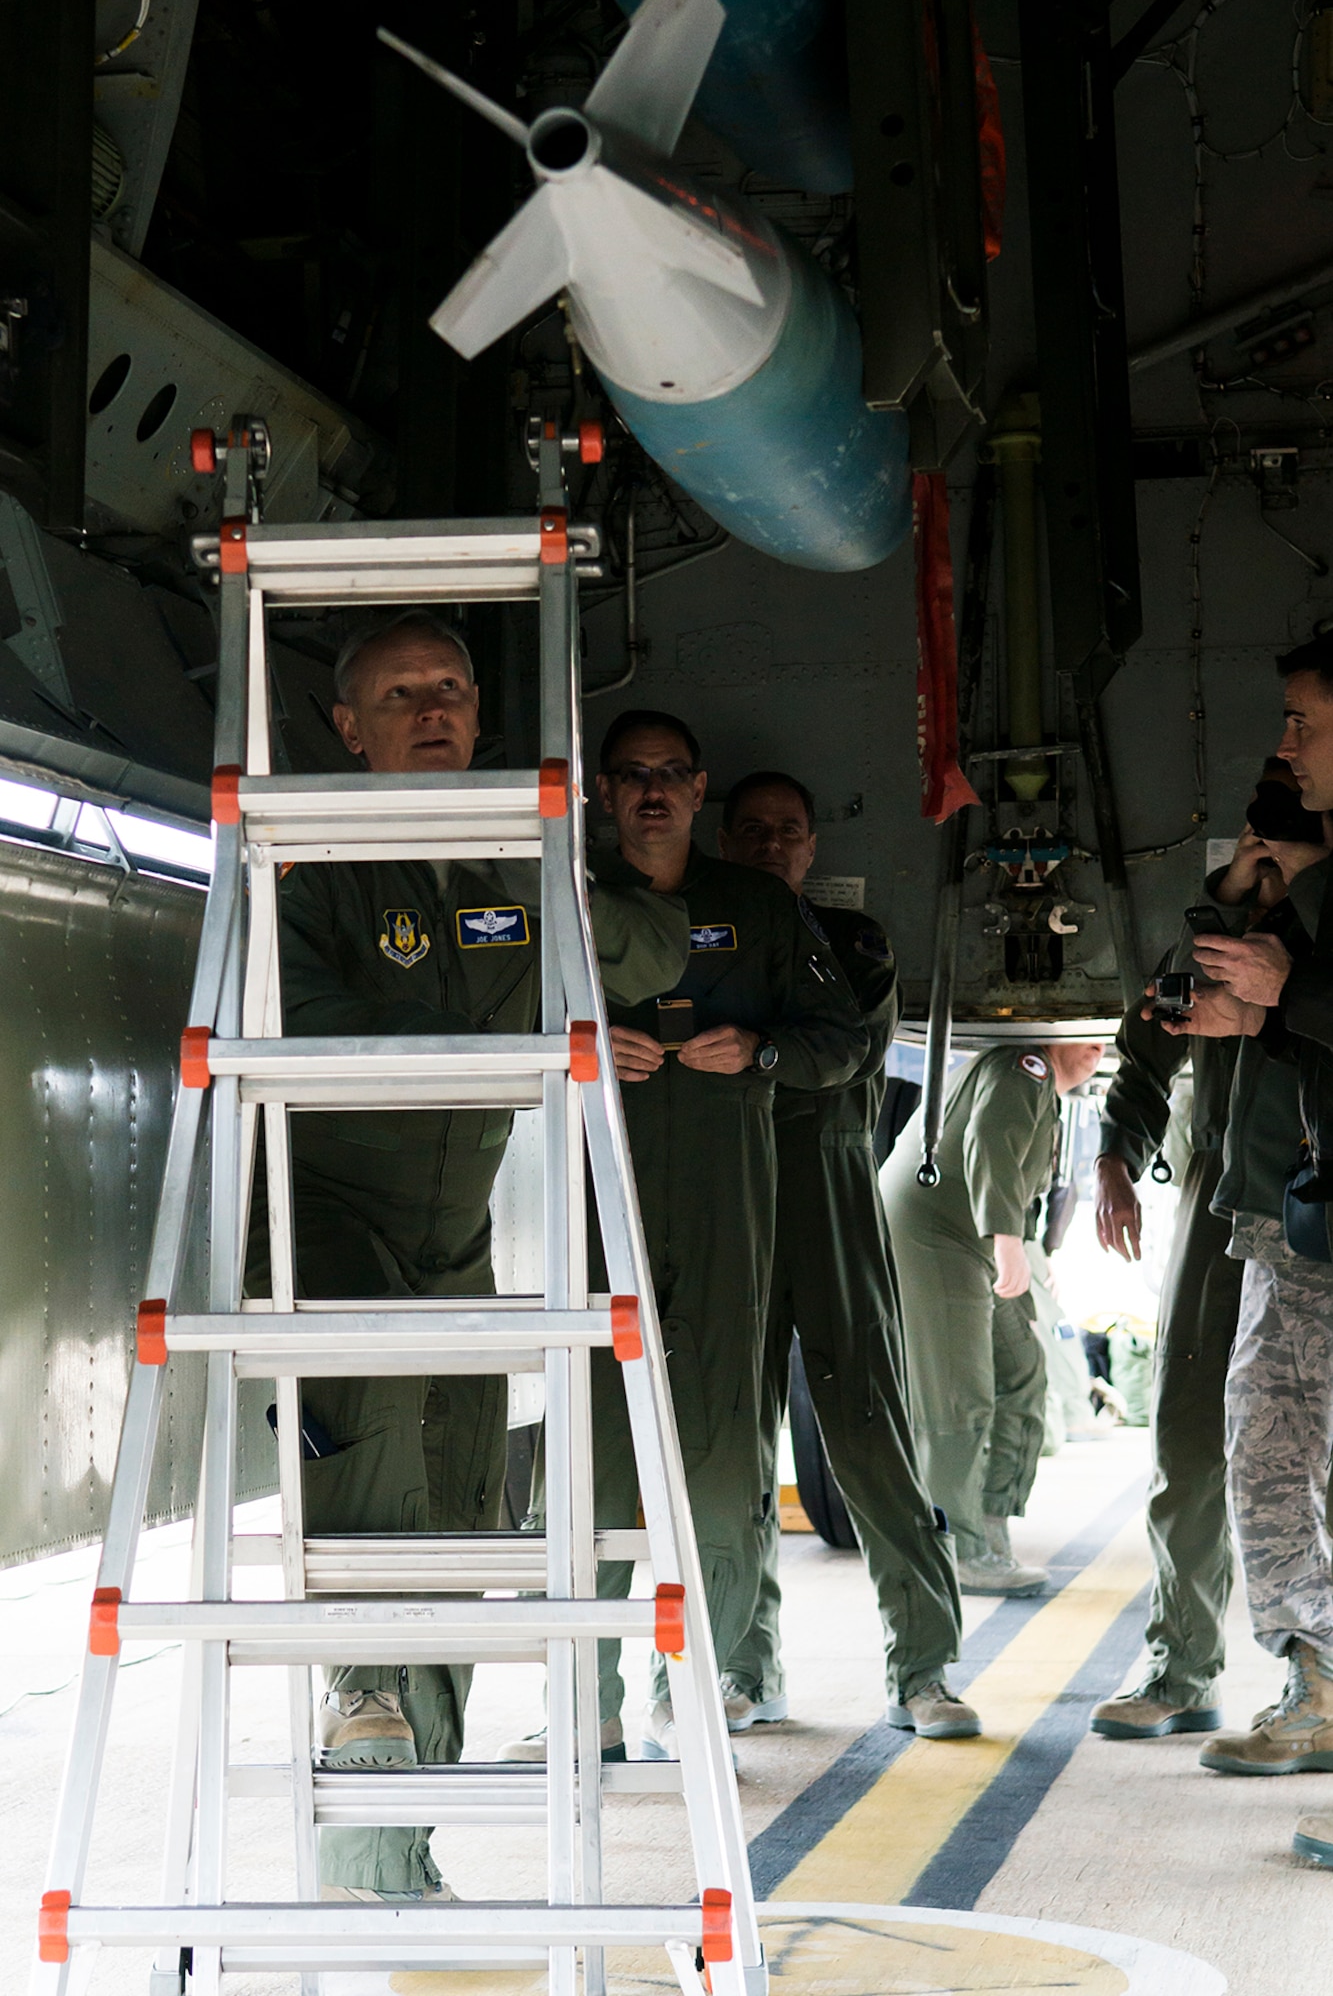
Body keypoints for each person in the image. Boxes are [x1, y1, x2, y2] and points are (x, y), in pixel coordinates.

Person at [267, 615, 691, 1900]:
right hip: (334, 1218)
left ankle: (393, 1857)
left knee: (463, 1525)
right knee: (377, 1490)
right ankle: (357, 1744)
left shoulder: (522, 857)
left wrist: (572, 882)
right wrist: (465, 1035)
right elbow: (296, 1010)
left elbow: (657, 952)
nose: (432, 706)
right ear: (350, 727)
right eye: (400, 693)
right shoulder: (314, 859)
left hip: (457, 1244)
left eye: (449, 686)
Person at [580, 712, 869, 1759]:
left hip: (722, 1201)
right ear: (603, 792)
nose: (651, 792)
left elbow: (841, 1042)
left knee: (714, 1445)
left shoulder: (755, 906)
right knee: (594, 1446)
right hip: (593, 1201)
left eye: (669, 774)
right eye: (630, 775)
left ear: (698, 789)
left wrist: (755, 1051)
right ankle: (585, 1702)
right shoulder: (569, 900)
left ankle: (702, 1678)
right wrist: (578, 1049)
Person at [712, 771, 976, 1740]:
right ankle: (743, 1665)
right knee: (735, 1443)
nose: (771, 844)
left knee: (869, 1428)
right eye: (752, 829)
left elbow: (850, 1052)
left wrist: (755, 1046)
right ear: (727, 839)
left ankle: (925, 1667)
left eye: (788, 829)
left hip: (828, 1187)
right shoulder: (702, 929)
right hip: (729, 1195)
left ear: (812, 845)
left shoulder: (855, 944)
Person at [1152, 638, 1333, 1859]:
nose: (1284, 742)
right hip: (1295, 1212)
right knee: (1261, 1447)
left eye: (1302, 721)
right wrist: (1245, 991)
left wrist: (1284, 988)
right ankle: (1315, 1679)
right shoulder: (1297, 868)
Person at [1089, 778, 1317, 1741]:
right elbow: (1147, 1044)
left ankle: (1316, 1676)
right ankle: (1181, 1663)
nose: (1261, 874)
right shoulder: (1223, 941)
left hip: (1305, 1214)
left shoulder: (1308, 956)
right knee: (1187, 1437)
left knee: (1302, 1454)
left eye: (1279, 857)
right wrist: (1114, 1155)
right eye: (1250, 852)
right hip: (1217, 1209)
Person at [880, 1037, 1103, 1595]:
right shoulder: (1021, 1067)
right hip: (934, 1237)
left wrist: (1025, 1246)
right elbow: (990, 1144)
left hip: (973, 1238)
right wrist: (1009, 1241)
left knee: (1023, 1369)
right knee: (959, 1396)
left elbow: (1020, 1173)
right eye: (1087, 1038)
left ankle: (990, 1523)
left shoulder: (1044, 1089)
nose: (1096, 1050)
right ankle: (956, 1548)